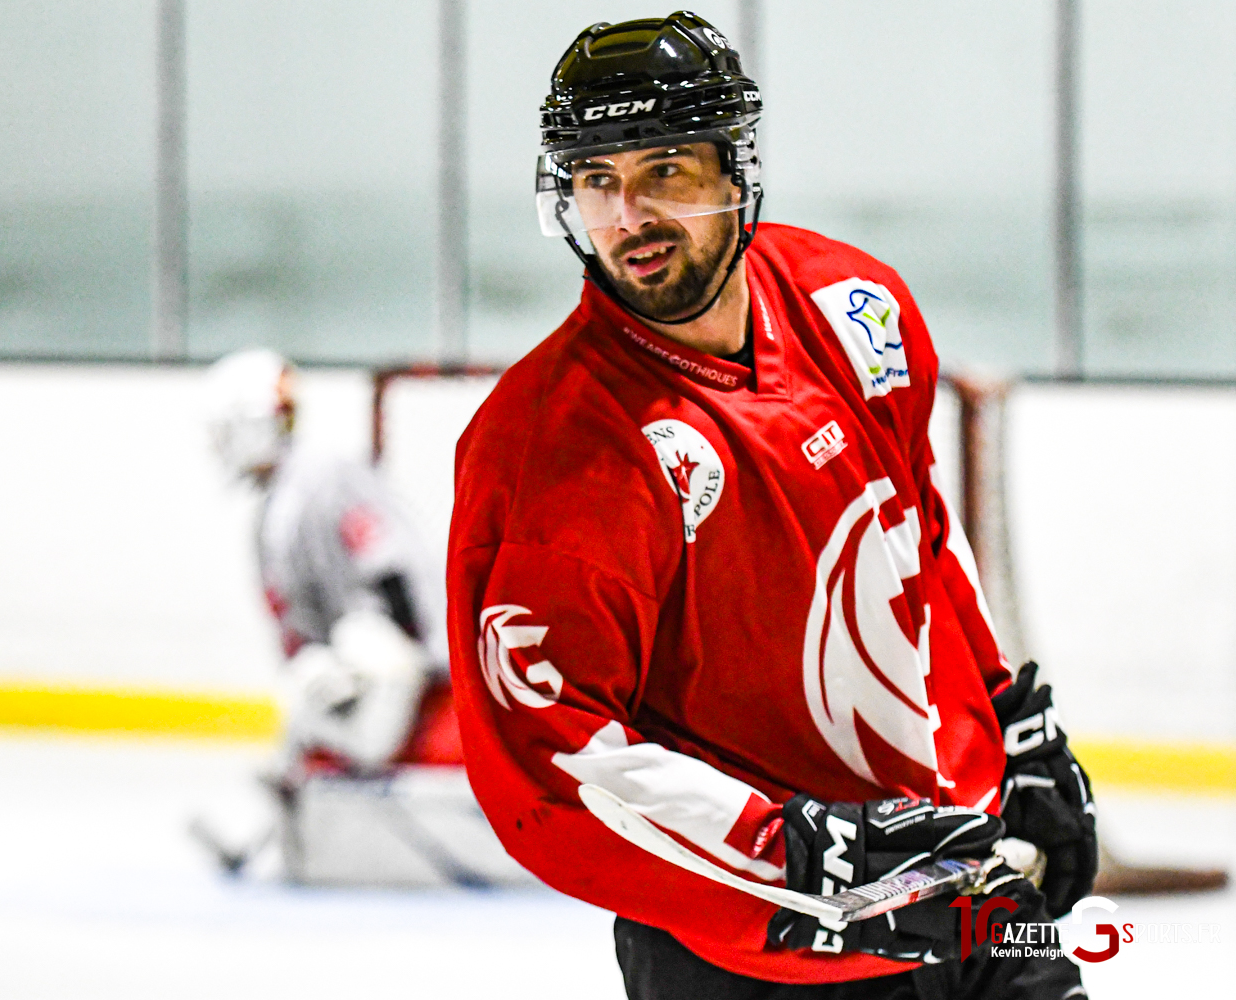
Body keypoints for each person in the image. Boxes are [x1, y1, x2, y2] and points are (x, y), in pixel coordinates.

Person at [448, 13, 1096, 998]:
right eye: (595, 180)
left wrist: (1012, 723)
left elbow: (911, 532)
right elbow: (554, 755)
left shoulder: (855, 301)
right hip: (771, 956)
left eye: (664, 169)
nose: (627, 216)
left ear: (734, 172)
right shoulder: (550, 447)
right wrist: (796, 854)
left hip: (974, 893)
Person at [203, 349, 461, 784]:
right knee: (309, 707)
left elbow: (388, 564)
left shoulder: (321, 476)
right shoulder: (282, 498)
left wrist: (406, 648)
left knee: (346, 699)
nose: (220, 444)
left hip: (398, 663)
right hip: (364, 659)